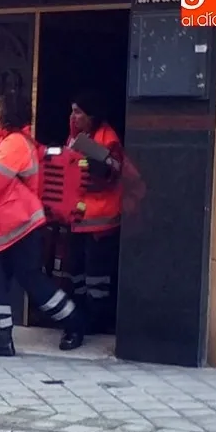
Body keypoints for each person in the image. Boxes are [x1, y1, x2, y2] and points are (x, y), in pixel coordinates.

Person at [0, 93, 86, 356]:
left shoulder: (13, 144)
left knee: (30, 281)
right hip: (10, 227)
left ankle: (74, 322)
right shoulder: (12, 142)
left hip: (20, 228)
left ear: (7, 113)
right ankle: (1, 337)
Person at [64, 92, 124, 338]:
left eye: (78, 111)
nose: (73, 116)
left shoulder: (107, 138)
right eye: (72, 111)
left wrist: (95, 162)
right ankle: (79, 317)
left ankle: (98, 320)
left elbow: (114, 174)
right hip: (77, 218)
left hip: (100, 221)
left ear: (91, 115)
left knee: (96, 276)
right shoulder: (74, 137)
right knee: (74, 271)